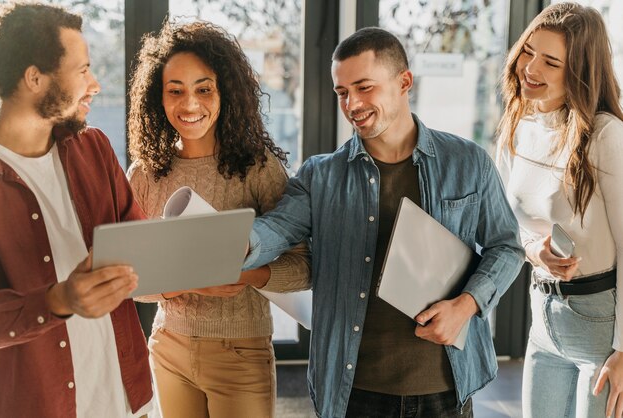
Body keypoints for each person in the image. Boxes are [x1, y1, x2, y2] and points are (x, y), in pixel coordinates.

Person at [243, 27, 524, 418]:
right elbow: (275, 229)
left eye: (364, 87)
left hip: (445, 388)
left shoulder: (468, 162)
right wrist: (237, 244)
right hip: (353, 391)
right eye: (342, 92)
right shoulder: (319, 176)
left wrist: (466, 304)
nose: (352, 103)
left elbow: (507, 246)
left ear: (404, 81)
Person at [127, 20, 310, 418]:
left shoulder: (258, 168)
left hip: (241, 352)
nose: (189, 105)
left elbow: (303, 268)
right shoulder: (144, 174)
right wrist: (184, 282)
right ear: (158, 98)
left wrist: (241, 275)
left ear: (225, 92)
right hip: (168, 347)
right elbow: (131, 281)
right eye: (175, 91)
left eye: (203, 89)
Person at [0, 3, 153, 418]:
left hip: (131, 396)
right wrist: (58, 299)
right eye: (82, 70)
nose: (95, 83)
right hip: (44, 405)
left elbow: (138, 248)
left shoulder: (94, 147)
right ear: (35, 78)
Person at [496, 3, 623, 418]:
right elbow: (505, 226)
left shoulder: (607, 135)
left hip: (601, 329)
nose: (530, 68)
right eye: (528, 51)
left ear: (580, 73)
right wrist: (536, 251)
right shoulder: (518, 127)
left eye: (551, 62)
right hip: (542, 320)